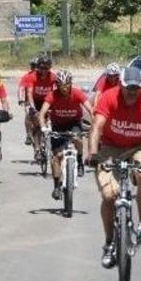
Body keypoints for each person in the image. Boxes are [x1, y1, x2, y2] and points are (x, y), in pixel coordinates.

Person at [86, 67, 141, 269]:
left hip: (139, 146)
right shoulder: (108, 97)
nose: (132, 91)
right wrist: (93, 153)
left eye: (136, 88)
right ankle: (109, 243)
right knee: (109, 196)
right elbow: (97, 126)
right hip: (110, 148)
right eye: (128, 87)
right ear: (120, 85)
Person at [38, 70, 93, 200]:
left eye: (67, 85)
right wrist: (43, 127)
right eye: (61, 85)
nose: (64, 88)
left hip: (74, 123)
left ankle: (79, 161)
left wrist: (95, 124)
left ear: (70, 84)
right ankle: (57, 186)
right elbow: (42, 114)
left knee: (77, 137)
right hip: (58, 125)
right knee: (57, 156)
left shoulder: (77, 93)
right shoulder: (52, 95)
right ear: (57, 85)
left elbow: (91, 109)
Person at [20, 55, 55, 158]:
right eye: (42, 68)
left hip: (46, 101)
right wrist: (33, 108)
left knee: (51, 118)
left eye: (46, 69)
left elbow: (56, 91)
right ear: (38, 68)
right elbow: (30, 93)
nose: (44, 71)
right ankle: (37, 148)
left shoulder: (53, 77)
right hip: (35, 100)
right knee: (36, 124)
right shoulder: (32, 76)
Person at [17, 56, 40, 145]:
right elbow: (21, 88)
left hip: (41, 100)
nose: (35, 69)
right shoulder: (27, 76)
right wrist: (21, 100)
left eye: (37, 66)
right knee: (28, 115)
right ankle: (29, 135)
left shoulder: (43, 76)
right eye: (33, 66)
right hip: (29, 100)